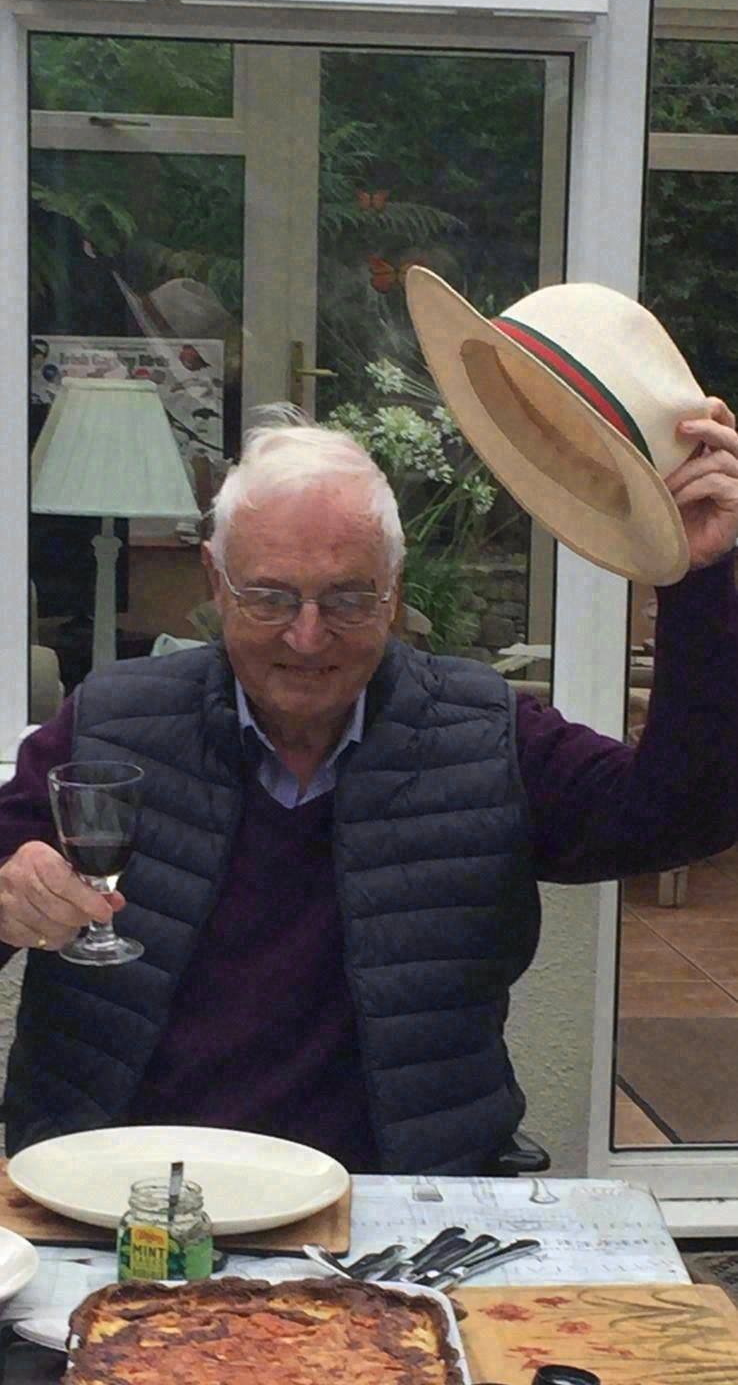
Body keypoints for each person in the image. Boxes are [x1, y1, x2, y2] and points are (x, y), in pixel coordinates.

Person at [1, 401, 738, 1173]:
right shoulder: (110, 724)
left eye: (348, 599)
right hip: (127, 1191)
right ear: (216, 582)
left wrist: (697, 579)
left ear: (394, 590)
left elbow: (685, 813)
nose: (307, 635)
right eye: (270, 597)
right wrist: (10, 897)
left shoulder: (483, 734)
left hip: (395, 1203)